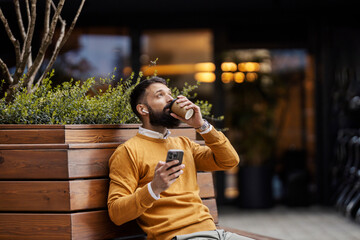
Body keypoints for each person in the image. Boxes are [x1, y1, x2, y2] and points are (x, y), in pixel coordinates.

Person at [107, 76, 251, 240]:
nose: (170, 99)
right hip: (178, 236)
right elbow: (116, 213)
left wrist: (201, 125)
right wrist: (154, 187)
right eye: (160, 95)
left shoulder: (183, 144)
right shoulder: (128, 151)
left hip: (214, 234)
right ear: (143, 109)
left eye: (170, 94)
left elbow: (230, 161)